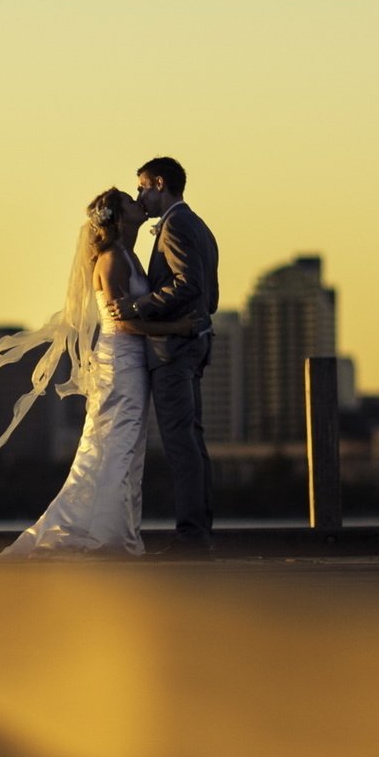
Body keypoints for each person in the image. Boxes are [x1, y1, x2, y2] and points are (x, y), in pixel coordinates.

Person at [0, 187, 201, 556]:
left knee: (125, 448)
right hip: (119, 362)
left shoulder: (129, 255)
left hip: (133, 362)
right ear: (117, 217)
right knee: (118, 445)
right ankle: (105, 537)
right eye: (130, 202)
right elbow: (125, 324)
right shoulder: (112, 259)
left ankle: (114, 532)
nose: (138, 201)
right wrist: (177, 329)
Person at [105, 156, 218, 552]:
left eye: (142, 188)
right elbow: (210, 294)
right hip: (191, 344)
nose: (140, 196)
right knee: (193, 441)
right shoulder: (198, 225)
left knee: (180, 444)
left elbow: (189, 284)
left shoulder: (175, 226)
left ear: (158, 183)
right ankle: (200, 532)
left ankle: (191, 536)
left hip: (172, 351)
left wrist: (141, 307)